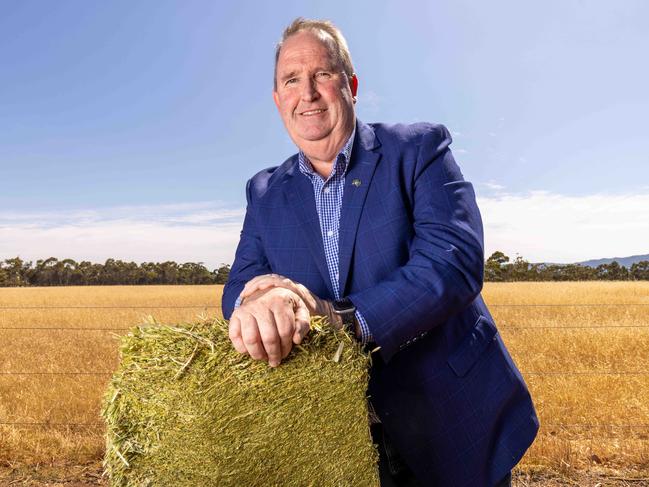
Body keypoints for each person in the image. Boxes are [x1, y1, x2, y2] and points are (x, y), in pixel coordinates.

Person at [222, 17, 538, 487]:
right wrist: (259, 300)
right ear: (277, 100)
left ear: (350, 85)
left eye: (322, 75)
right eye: (291, 80)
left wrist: (343, 319)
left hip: (449, 416)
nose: (306, 93)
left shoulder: (418, 150)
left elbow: (452, 263)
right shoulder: (265, 191)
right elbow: (241, 282)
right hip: (341, 437)